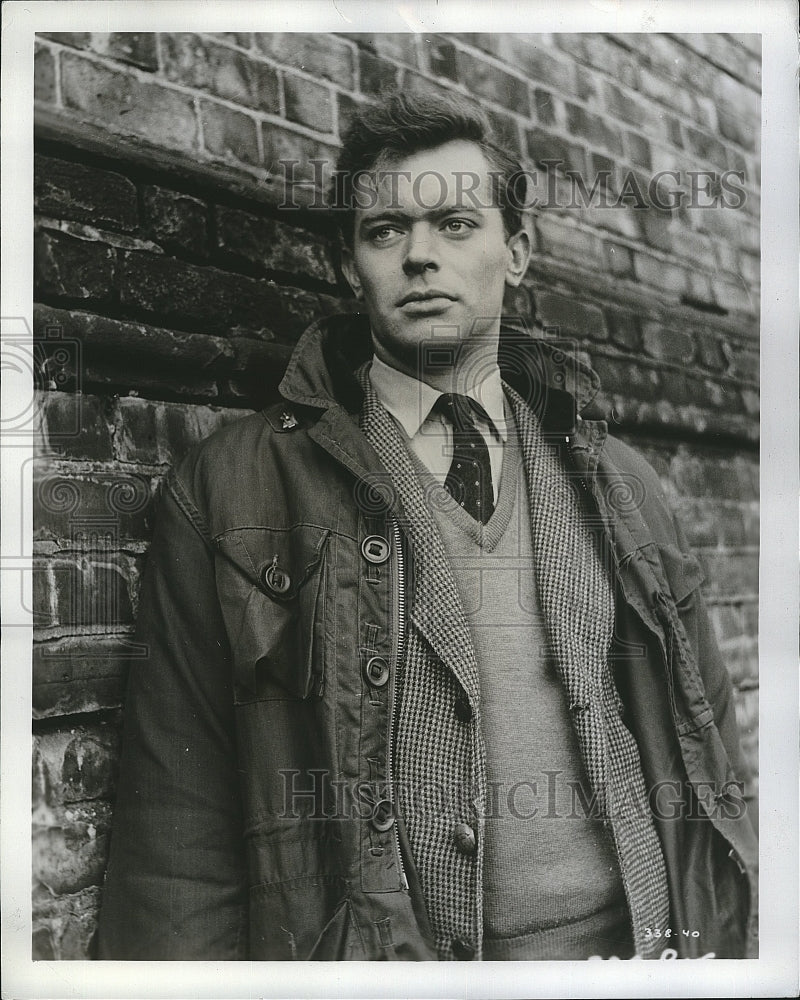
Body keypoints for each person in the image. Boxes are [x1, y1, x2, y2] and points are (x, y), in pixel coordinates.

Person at [97, 90, 757, 962]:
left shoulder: (623, 483)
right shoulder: (234, 491)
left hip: (636, 955)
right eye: (384, 232)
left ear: (515, 252)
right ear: (349, 265)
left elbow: (709, 760)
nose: (418, 257)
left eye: (454, 223)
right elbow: (177, 828)